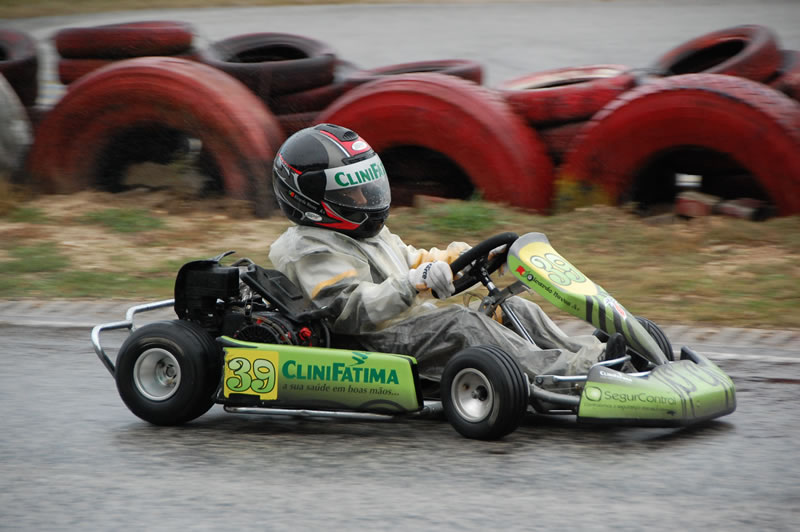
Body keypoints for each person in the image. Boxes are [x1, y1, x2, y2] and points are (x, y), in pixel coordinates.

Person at [268, 123, 617, 391]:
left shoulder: (364, 232)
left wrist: (455, 258)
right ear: (309, 198)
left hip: (405, 324)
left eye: (365, 187)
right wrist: (412, 284)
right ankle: (570, 375)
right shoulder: (309, 249)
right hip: (369, 344)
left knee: (508, 308)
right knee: (462, 325)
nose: (363, 197)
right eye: (351, 191)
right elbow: (349, 310)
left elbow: (412, 260)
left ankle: (590, 355)